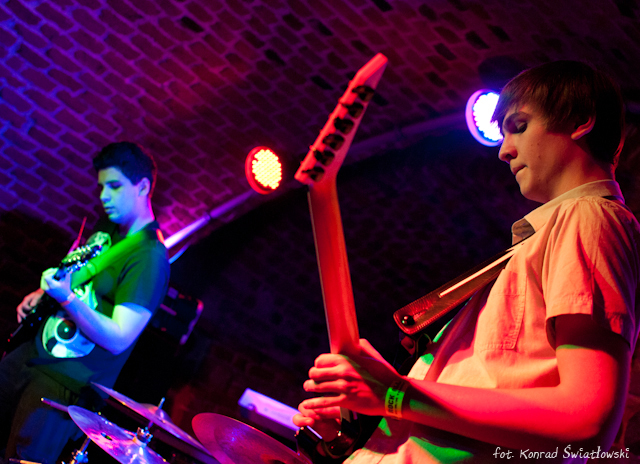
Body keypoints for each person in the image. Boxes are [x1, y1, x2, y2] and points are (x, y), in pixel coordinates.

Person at [293, 60, 639, 463]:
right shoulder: (543, 241)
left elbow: (587, 426)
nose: (504, 150)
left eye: (519, 126)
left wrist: (394, 394)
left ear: (580, 121)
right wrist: (366, 415)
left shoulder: (589, 217)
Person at [0, 142, 170, 463]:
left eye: (115, 186)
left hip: (64, 385)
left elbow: (119, 337)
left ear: (143, 187)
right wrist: (43, 294)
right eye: (102, 186)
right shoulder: (108, 226)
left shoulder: (150, 257)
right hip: (29, 357)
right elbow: (77, 275)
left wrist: (66, 297)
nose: (104, 195)